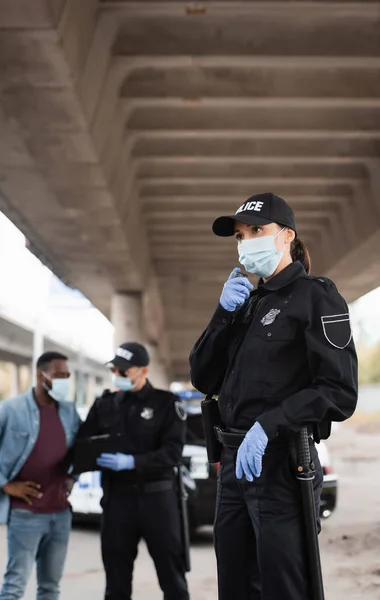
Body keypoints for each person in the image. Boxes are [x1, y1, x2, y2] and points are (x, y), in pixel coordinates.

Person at [189, 192, 358, 600]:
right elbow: (202, 376)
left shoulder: (317, 297)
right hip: (234, 468)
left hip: (281, 464)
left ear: (286, 236)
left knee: (284, 589)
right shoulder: (246, 304)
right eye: (240, 236)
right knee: (234, 587)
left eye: (256, 231)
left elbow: (339, 391)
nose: (247, 242)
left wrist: (270, 423)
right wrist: (223, 315)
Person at [77, 342, 189, 600]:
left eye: (124, 371)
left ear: (143, 371)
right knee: (116, 580)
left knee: (172, 577)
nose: (118, 375)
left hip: (157, 501)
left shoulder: (166, 404)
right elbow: (83, 444)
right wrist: (89, 458)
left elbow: (172, 454)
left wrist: (133, 462)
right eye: (115, 369)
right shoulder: (104, 404)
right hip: (118, 500)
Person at [0, 351, 81, 600]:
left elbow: (81, 450)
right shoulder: (10, 409)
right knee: (14, 586)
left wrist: (73, 476)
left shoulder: (69, 412)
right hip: (25, 514)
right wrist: (4, 484)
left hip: (60, 514)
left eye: (67, 375)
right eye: (59, 375)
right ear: (41, 375)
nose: (64, 381)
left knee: (50, 588)